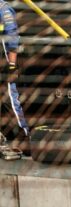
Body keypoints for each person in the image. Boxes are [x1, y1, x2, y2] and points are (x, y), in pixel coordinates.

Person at [0, 0, 30, 155]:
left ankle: (25, 139)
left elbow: (13, 39)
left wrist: (12, 66)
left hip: (4, 66)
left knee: (11, 102)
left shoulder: (3, 8)